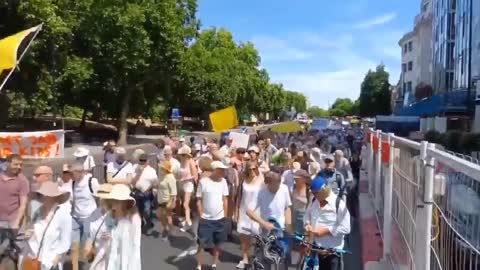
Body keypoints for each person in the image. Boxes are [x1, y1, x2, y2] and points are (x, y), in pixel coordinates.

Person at [246, 172, 292, 270]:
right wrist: (264, 223)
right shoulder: (261, 192)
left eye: (278, 185)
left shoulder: (284, 189)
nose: (277, 188)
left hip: (281, 232)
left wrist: (289, 225)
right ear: (268, 183)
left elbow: (287, 207)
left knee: (282, 262)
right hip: (266, 233)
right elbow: (249, 211)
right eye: (275, 185)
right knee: (264, 262)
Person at [21, 181, 72, 270]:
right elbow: (35, 233)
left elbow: (65, 241)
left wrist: (57, 257)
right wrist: (29, 234)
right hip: (34, 260)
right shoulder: (37, 213)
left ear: (53, 197)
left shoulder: (63, 215)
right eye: (40, 195)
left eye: (44, 194)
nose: (42, 197)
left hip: (50, 263)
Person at [303, 176, 351, 270]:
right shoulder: (314, 202)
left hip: (332, 252)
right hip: (317, 249)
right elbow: (306, 216)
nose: (314, 195)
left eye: (316, 193)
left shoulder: (339, 204)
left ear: (325, 190)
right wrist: (307, 224)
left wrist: (325, 231)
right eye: (313, 193)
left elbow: (346, 228)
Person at [196, 161, 229, 270]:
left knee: (217, 243)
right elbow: (199, 200)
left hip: (220, 219)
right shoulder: (203, 182)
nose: (224, 172)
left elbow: (225, 200)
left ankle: (214, 264)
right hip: (206, 220)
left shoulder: (223, 182)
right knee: (201, 244)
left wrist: (225, 215)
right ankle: (199, 265)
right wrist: (201, 215)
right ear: (215, 170)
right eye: (221, 170)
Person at [104, 184, 142, 270]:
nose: (112, 202)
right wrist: (108, 237)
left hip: (127, 259)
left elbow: (134, 243)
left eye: (116, 200)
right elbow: (108, 233)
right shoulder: (110, 215)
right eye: (112, 199)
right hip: (112, 256)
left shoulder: (134, 218)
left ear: (124, 202)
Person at [70, 162, 100, 270]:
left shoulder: (92, 182)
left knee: (87, 248)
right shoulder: (73, 183)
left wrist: (99, 216)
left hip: (89, 218)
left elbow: (99, 198)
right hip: (75, 218)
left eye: (72, 173)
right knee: (74, 246)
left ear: (80, 172)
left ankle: (94, 258)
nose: (71, 176)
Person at [235, 161, 263, 269]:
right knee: (244, 237)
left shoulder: (261, 181)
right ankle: (245, 258)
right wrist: (236, 212)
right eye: (250, 169)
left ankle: (256, 258)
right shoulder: (243, 181)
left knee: (257, 237)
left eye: (254, 168)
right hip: (244, 211)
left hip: (257, 213)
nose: (252, 171)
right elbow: (239, 196)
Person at [84, 184, 115, 270]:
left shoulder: (117, 214)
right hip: (99, 251)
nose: (100, 200)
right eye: (100, 197)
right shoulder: (96, 213)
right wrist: (89, 243)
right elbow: (91, 231)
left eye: (103, 198)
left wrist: (112, 236)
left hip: (113, 253)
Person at [0, 154, 29, 231]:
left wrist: (17, 222)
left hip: (14, 221)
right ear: (7, 163)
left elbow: (23, 204)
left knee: (18, 243)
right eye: (15, 164)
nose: (19, 167)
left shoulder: (22, 180)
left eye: (20, 165)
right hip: (1, 221)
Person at [132, 153, 157, 234]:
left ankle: (149, 222)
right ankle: (141, 223)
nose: (142, 162)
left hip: (147, 193)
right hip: (137, 192)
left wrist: (149, 189)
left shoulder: (151, 170)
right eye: (141, 161)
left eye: (144, 161)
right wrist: (139, 172)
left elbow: (155, 183)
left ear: (147, 161)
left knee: (147, 210)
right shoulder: (135, 168)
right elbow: (132, 181)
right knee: (138, 210)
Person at [178, 145, 198, 231]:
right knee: (186, 204)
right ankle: (188, 221)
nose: (181, 156)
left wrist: (185, 179)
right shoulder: (181, 162)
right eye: (181, 154)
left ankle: (188, 222)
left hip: (189, 185)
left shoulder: (191, 162)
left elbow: (195, 176)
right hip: (182, 185)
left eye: (183, 154)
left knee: (185, 204)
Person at [156, 161, 177, 241]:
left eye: (162, 168)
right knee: (161, 215)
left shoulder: (170, 177)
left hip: (167, 200)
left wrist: (171, 202)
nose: (160, 168)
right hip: (161, 200)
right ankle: (168, 229)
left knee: (167, 217)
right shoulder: (163, 176)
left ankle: (168, 231)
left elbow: (173, 192)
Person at [291, 169, 311, 235]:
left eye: (297, 179)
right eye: (295, 179)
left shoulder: (309, 192)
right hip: (295, 218)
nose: (295, 180)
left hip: (305, 219)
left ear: (304, 179)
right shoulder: (294, 189)